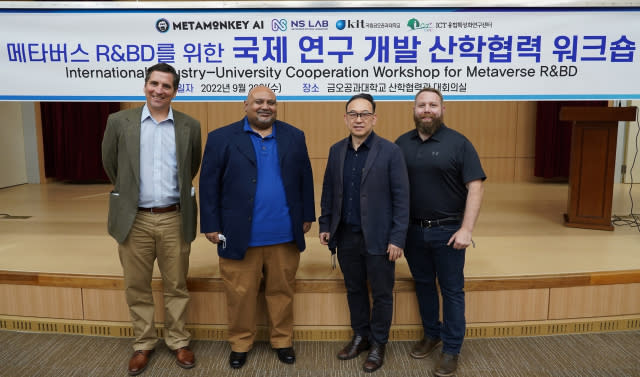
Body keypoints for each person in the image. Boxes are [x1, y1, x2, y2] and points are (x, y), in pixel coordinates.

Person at [199, 86, 315, 369]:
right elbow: (208, 185)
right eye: (259, 102)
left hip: (284, 235)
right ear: (245, 105)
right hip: (238, 235)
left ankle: (283, 341)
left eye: (271, 103)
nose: (265, 107)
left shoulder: (294, 136)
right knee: (239, 296)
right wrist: (210, 224)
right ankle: (240, 343)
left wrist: (307, 215)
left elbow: (305, 178)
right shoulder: (220, 138)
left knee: (282, 293)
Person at [101, 63, 201, 376]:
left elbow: (191, 166)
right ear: (145, 85)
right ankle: (143, 343)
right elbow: (110, 164)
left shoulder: (190, 126)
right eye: (153, 84)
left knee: (176, 285)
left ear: (175, 91)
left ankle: (178, 340)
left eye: (166, 86)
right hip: (135, 218)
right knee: (137, 286)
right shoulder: (119, 122)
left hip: (174, 217)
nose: (159, 90)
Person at [396, 87, 485, 377]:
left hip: (448, 232)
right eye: (421, 105)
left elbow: (476, 186)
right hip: (412, 232)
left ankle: (451, 349)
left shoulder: (458, 143)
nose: (427, 110)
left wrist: (466, 230)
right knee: (423, 284)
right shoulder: (401, 144)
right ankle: (431, 334)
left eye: (433, 105)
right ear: (414, 110)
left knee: (451, 291)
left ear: (442, 110)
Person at [319, 93, 410, 373]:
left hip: (380, 239)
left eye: (364, 114)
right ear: (345, 118)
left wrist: (397, 238)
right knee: (355, 289)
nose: (359, 119)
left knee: (382, 294)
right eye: (353, 114)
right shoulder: (336, 151)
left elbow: (402, 198)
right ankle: (361, 336)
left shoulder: (390, 151)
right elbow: (328, 192)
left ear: (374, 118)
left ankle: (379, 343)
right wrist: (325, 225)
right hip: (346, 236)